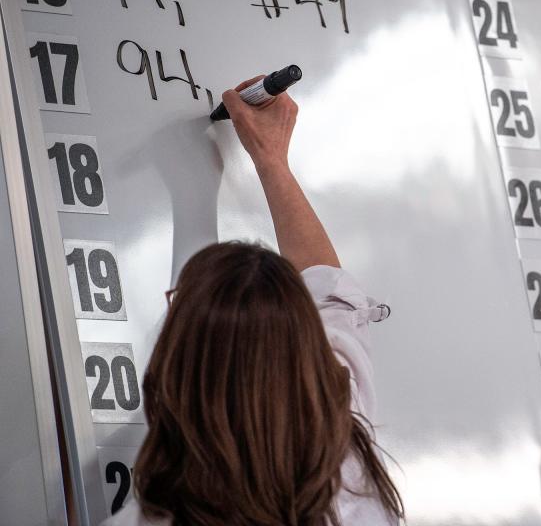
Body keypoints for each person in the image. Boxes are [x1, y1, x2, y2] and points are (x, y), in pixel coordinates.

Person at [103, 78, 403, 525]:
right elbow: (329, 292)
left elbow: (327, 299)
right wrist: (271, 160)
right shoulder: (348, 464)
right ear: (306, 352)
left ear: (179, 367)